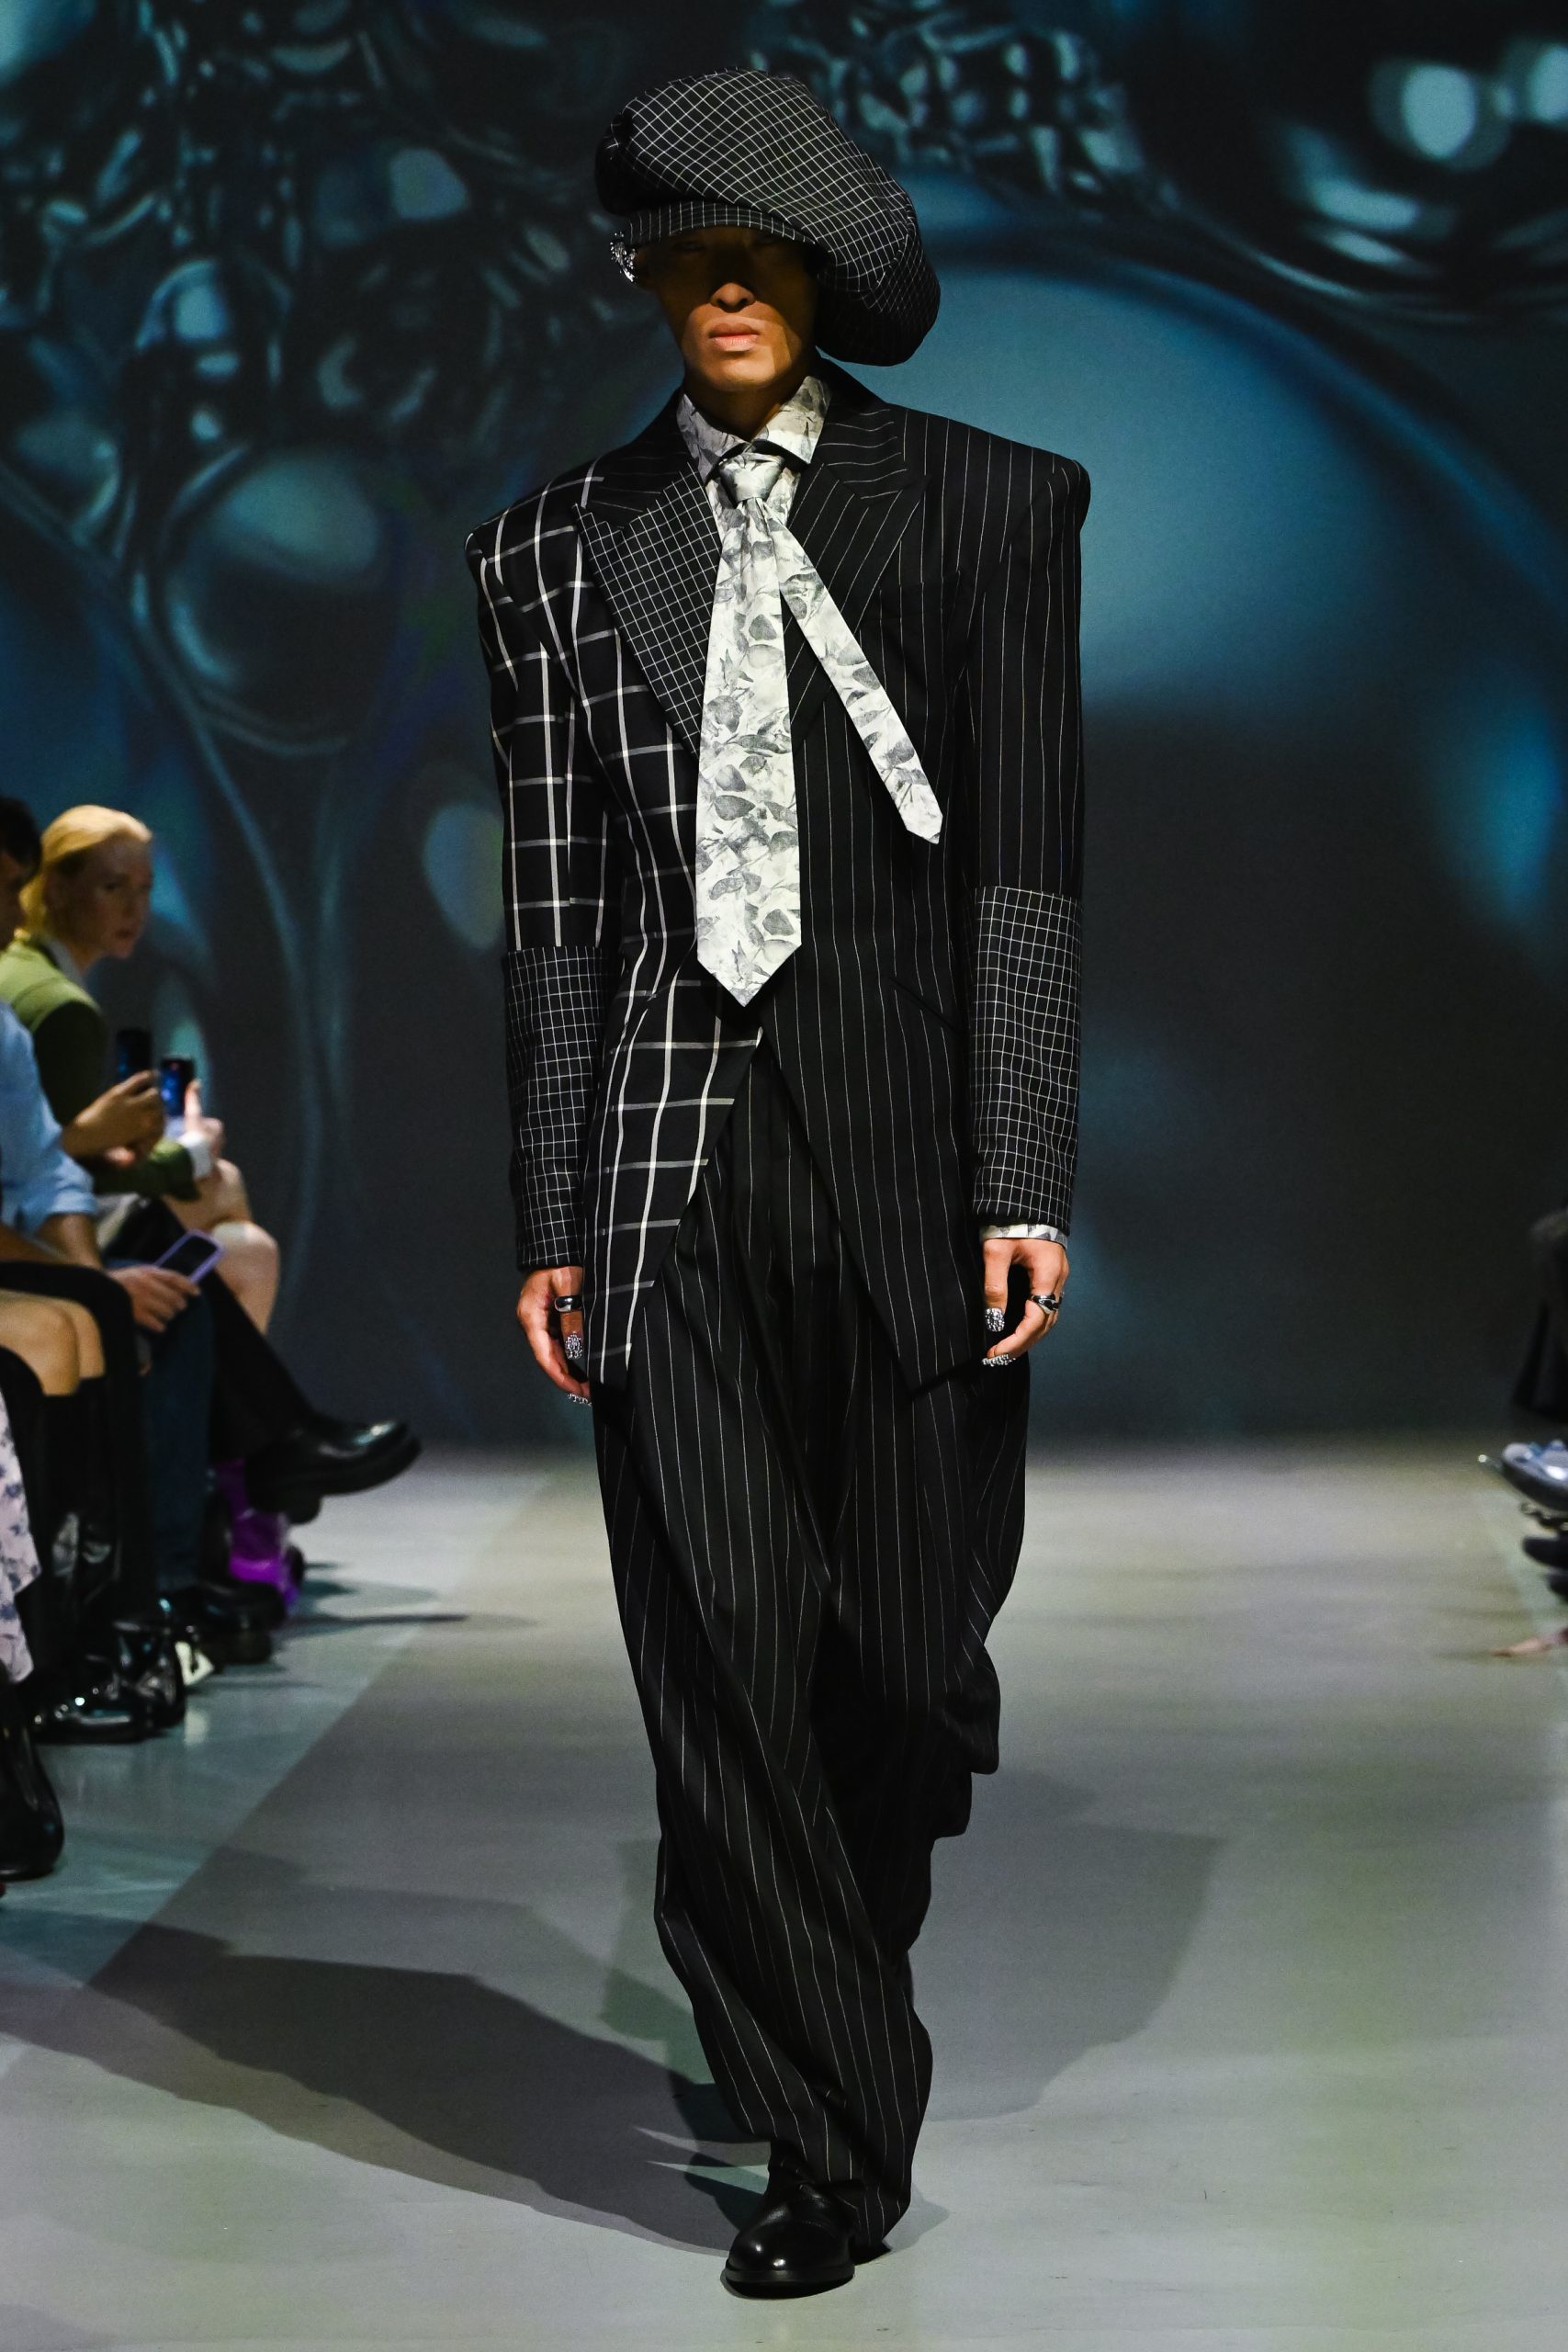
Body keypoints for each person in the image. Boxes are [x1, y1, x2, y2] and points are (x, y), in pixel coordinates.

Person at [467, 70, 1087, 2296]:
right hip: (666, 1167)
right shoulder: (548, 550)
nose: (724, 294)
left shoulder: (990, 507)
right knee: (718, 1665)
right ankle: (828, 2140)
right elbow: (553, 914)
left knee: (903, 1668)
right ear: (644, 282)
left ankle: (794, 1925)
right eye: (686, 260)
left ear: (818, 281)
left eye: (761, 259)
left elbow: (1022, 869)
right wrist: (552, 1211)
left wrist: (1023, 1161)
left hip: (914, 1158)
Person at [0, 797, 421, 1527]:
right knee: (229, 1224)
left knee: (238, 1246)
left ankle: (246, 1468)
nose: (133, 910)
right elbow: (55, 1169)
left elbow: (49, 1162)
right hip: (30, 1241)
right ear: (56, 888)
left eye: (143, 890)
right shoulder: (55, 1003)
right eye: (111, 887)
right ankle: (250, 1467)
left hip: (45, 1224)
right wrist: (182, 1155)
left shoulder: (33, 990)